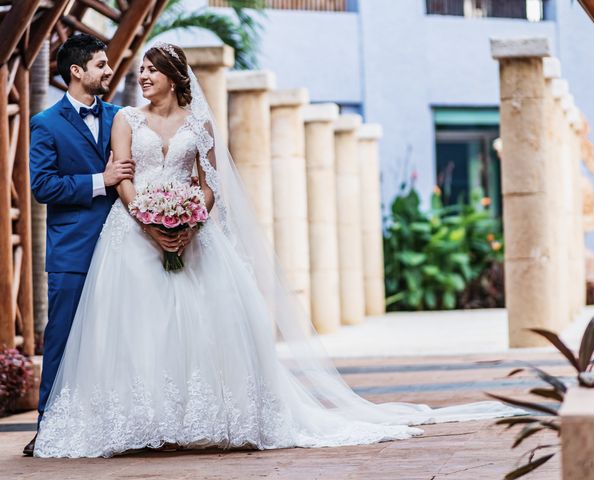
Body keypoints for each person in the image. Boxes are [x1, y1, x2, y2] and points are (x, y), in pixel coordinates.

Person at [33, 42, 522, 458]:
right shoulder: (125, 120)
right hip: (133, 235)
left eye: (149, 70)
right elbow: (123, 177)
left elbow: (208, 185)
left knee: (201, 328)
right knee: (136, 328)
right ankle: (138, 422)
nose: (139, 76)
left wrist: (188, 221)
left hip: (190, 234)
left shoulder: (198, 126)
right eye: (137, 70)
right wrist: (151, 222)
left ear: (173, 78)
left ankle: (198, 420)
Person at [24, 34, 135, 456]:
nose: (109, 71)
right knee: (62, 341)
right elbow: (43, 186)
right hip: (73, 251)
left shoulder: (122, 117)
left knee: (123, 336)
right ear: (76, 71)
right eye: (101, 64)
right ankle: (48, 429)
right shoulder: (45, 123)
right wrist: (100, 181)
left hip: (126, 246)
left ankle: (121, 426)